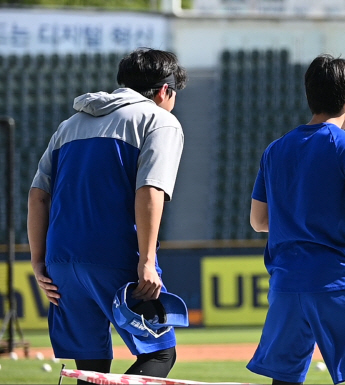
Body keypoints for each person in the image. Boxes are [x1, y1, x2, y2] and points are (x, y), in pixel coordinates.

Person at [27, 48, 188, 382]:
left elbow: (38, 195)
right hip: (115, 255)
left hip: (61, 261)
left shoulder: (69, 125)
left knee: (91, 367)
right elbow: (150, 189)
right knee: (159, 352)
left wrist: (39, 262)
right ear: (164, 90)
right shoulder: (160, 120)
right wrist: (146, 260)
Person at [247, 54, 345, 385]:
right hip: (338, 283)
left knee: (284, 382)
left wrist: (301, 214)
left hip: (287, 286)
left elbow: (259, 220)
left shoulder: (276, 149)